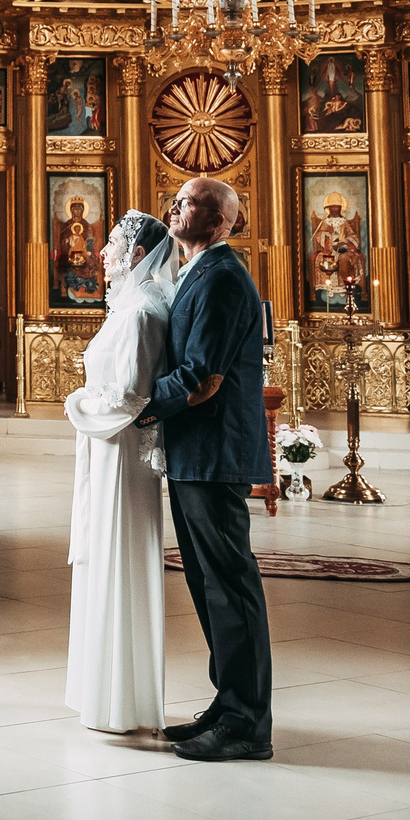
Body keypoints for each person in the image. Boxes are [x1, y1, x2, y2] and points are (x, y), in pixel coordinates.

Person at [142, 176, 274, 760]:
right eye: (175, 198)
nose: (175, 206)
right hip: (195, 451)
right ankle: (228, 702)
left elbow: (202, 377)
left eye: (190, 201)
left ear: (223, 220)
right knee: (205, 582)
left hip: (215, 450)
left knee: (228, 585)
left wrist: (136, 406)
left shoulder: (222, 276)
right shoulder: (197, 270)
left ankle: (247, 724)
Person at [64, 212, 178, 733]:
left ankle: (121, 701)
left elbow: (133, 395)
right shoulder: (133, 304)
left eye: (111, 244)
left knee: (118, 554)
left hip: (119, 451)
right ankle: (106, 694)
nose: (102, 252)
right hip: (106, 447)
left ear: (136, 254)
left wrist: (77, 406)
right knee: (105, 556)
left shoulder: (139, 312)